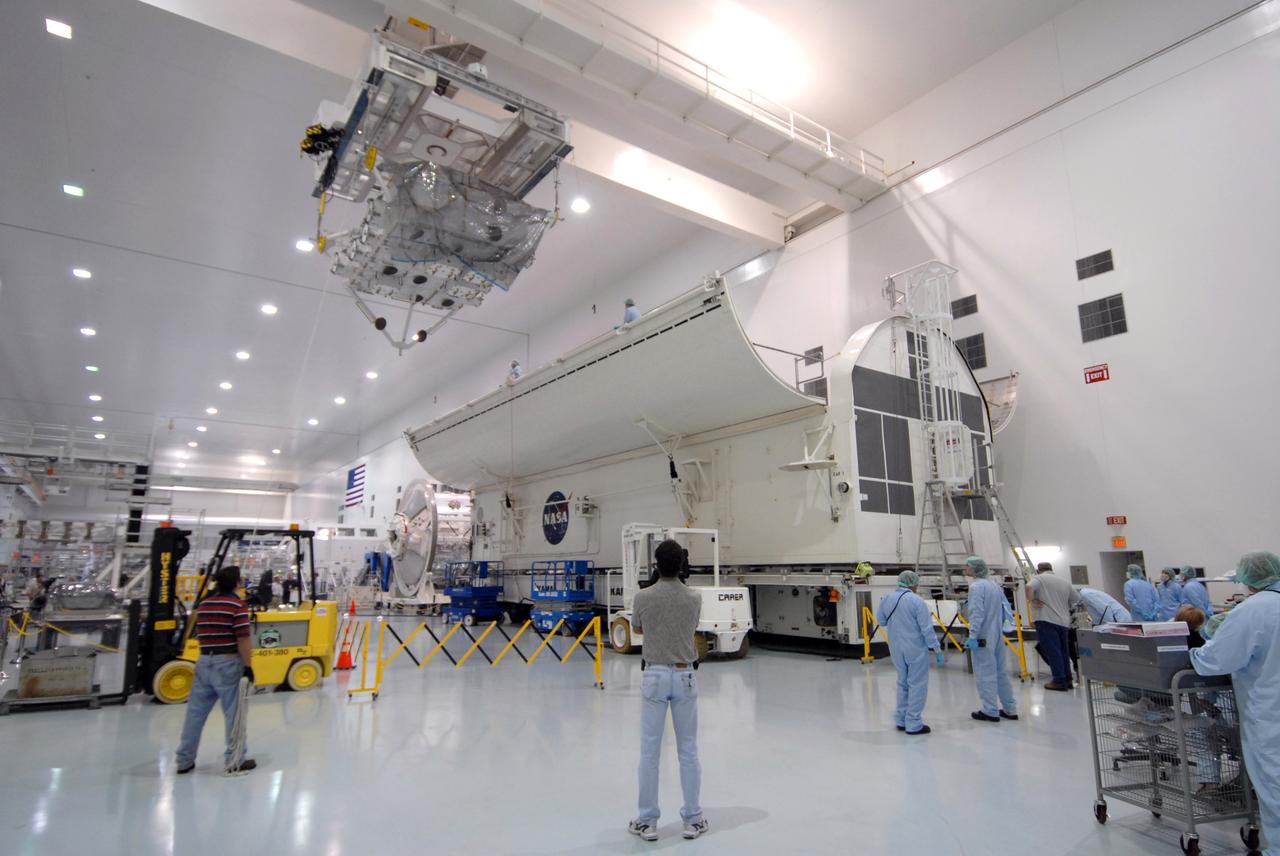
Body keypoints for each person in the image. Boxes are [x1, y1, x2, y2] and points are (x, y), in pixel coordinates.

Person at [1190, 551, 1280, 856]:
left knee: (1274, 784)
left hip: (1271, 714)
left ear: (1247, 580)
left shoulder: (1255, 610)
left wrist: (1197, 652)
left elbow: (1219, 659)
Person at [628, 539, 707, 842]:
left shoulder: (643, 597)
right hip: (685, 674)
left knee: (650, 750)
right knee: (688, 749)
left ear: (656, 565)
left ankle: (647, 822)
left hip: (655, 676)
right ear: (682, 565)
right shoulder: (694, 597)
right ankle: (693, 819)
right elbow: (689, 627)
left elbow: (637, 628)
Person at [175, 565, 256, 775]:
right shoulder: (237, 606)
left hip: (204, 662)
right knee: (234, 714)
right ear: (236, 583)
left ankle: (184, 759)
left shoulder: (204, 605)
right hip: (228, 663)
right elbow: (243, 639)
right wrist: (248, 667)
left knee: (195, 714)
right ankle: (235, 759)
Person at [875, 570, 944, 735]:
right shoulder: (916, 601)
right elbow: (926, 629)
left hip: (896, 648)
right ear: (913, 584)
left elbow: (881, 620)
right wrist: (936, 648)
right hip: (915, 648)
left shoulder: (887, 599)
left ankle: (900, 719)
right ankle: (913, 723)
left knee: (902, 682)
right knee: (917, 684)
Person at [963, 557, 1018, 723]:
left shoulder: (976, 587)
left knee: (985, 673)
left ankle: (990, 710)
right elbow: (1006, 608)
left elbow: (976, 613)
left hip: (983, 636)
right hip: (997, 634)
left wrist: (973, 635)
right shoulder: (994, 585)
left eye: (967, 566)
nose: (965, 569)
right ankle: (1010, 708)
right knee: (1001, 672)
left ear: (975, 569)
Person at [1028, 561, 1080, 691]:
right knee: (1063, 651)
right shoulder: (1064, 581)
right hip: (1063, 622)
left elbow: (1028, 587)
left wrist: (1032, 600)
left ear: (1038, 570)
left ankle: (1059, 680)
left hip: (1046, 620)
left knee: (1052, 650)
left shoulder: (1039, 578)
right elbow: (1076, 599)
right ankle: (1068, 679)